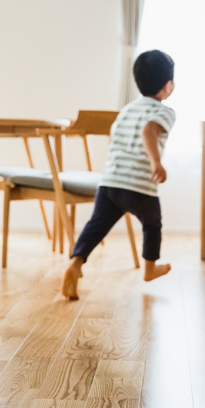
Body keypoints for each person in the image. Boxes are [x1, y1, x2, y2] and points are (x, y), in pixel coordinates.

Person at [61, 50, 176, 300]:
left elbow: (114, 138)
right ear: (168, 87)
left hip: (110, 182)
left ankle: (76, 264)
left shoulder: (125, 111)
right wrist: (156, 163)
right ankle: (149, 269)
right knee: (152, 225)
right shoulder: (165, 112)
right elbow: (149, 131)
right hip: (139, 185)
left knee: (96, 226)